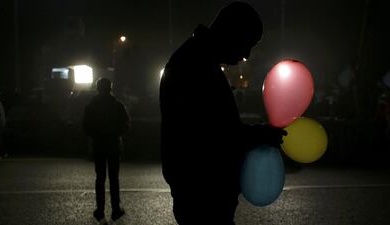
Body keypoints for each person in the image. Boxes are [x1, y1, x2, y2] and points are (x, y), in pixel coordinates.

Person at [159, 2, 287, 224]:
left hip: (198, 191)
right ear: (232, 32)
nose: (247, 54)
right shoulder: (197, 66)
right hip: (203, 194)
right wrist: (259, 135)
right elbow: (212, 135)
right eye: (248, 43)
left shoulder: (194, 59)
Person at [83, 78, 130, 224]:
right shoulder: (118, 105)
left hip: (99, 145)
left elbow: (86, 125)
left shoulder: (92, 105)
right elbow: (125, 125)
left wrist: (94, 137)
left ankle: (100, 210)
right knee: (114, 179)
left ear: (97, 88)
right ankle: (115, 209)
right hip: (113, 145)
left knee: (100, 179)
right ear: (110, 88)